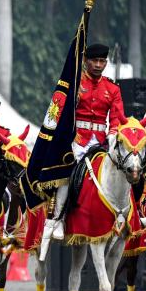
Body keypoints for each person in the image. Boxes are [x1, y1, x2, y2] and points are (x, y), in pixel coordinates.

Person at [44, 43, 125, 242]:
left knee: (124, 169)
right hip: (78, 140)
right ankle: (59, 218)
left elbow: (117, 116)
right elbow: (63, 112)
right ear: (86, 61)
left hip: (101, 142)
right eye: (95, 61)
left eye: (102, 61)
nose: (98, 65)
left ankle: (125, 215)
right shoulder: (76, 83)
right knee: (67, 172)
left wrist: (113, 134)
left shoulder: (112, 88)